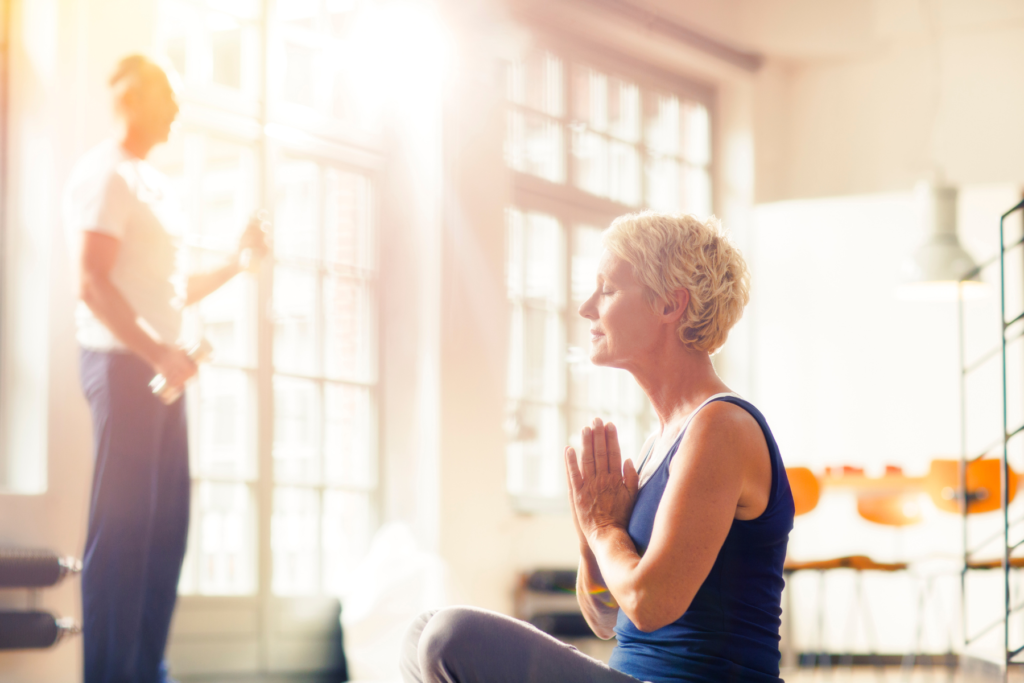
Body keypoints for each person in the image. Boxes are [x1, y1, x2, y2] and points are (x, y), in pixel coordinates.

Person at [400, 211, 794, 683]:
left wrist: (605, 528)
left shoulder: (721, 427)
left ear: (671, 304)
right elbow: (607, 618)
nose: (587, 308)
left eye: (607, 290)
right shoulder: (660, 442)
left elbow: (650, 605)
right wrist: (589, 538)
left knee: (450, 636)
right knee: (419, 633)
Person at [63, 54, 268, 683]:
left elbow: (170, 291)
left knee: (163, 535)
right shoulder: (108, 175)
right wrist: (158, 353)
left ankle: (144, 669)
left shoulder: (156, 185)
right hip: (124, 369)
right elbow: (92, 283)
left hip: (160, 376)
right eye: (168, 98)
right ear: (133, 97)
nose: (178, 110)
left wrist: (236, 263)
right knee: (122, 537)